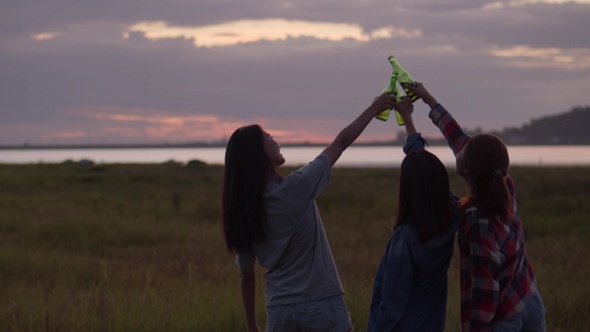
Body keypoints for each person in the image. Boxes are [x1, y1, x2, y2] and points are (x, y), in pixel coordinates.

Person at [222, 90, 397, 332]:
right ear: (259, 153)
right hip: (319, 303)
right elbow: (341, 142)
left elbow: (246, 275)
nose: (276, 140)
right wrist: (375, 108)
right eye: (269, 137)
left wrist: (252, 326)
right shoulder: (295, 187)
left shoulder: (242, 210)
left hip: (279, 312)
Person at [406, 82, 546, 331]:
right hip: (528, 300)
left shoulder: (475, 222)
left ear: (467, 168)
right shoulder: (505, 184)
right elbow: (455, 134)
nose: (460, 145)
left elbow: (485, 287)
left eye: (465, 149)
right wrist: (426, 98)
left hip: (504, 318)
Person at [367, 97, 461, 331]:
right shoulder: (452, 215)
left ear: (407, 190)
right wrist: (407, 118)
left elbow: (391, 303)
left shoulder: (405, 239)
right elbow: (425, 170)